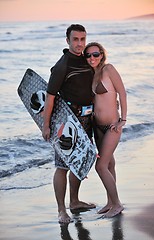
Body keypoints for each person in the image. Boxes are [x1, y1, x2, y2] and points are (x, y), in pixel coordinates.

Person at [42, 24, 96, 224]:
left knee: (78, 162)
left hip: (87, 119)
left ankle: (74, 201)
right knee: (62, 166)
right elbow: (50, 98)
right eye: (75, 39)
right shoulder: (62, 65)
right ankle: (61, 210)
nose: (80, 43)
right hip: (67, 122)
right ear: (68, 40)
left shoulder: (86, 60)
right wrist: (46, 125)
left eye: (83, 39)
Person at [84, 42, 127, 218]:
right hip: (97, 126)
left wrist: (122, 120)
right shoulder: (93, 74)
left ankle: (117, 204)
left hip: (111, 126)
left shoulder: (108, 69)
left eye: (95, 54)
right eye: (88, 55)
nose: (92, 58)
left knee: (100, 166)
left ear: (101, 54)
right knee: (109, 164)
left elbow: (122, 93)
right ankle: (110, 202)